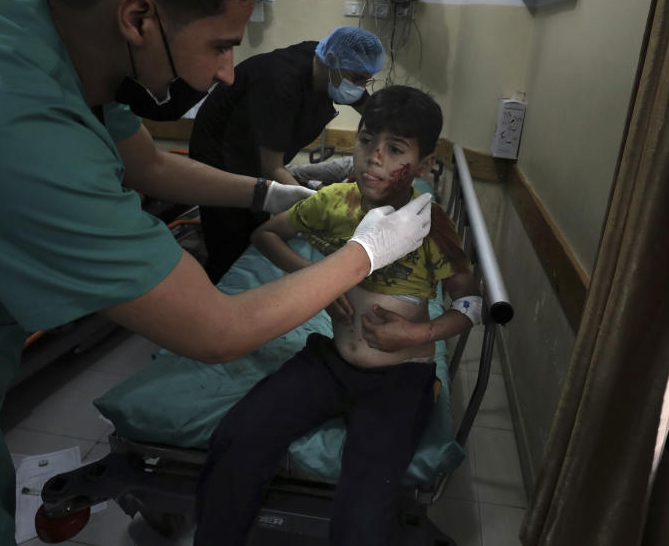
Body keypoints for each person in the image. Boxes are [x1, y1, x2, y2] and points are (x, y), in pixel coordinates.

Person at [0, 0, 431, 545]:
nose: (228, 71)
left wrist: (269, 194)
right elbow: (215, 328)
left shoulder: (28, 31)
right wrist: (367, 252)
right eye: (221, 45)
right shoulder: (7, 120)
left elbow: (148, 165)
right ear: (139, 18)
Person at [194, 86, 483, 546]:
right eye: (367, 141)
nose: (374, 158)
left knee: (364, 515)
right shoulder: (335, 203)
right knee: (238, 438)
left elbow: (470, 305)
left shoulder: (430, 223)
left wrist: (416, 332)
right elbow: (266, 236)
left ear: (425, 165)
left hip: (400, 378)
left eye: (395, 150)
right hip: (331, 363)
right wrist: (316, 282)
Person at [188, 26, 385, 282]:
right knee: (233, 238)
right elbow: (273, 167)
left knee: (258, 216)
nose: (359, 87)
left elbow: (372, 111)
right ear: (333, 63)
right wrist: (316, 209)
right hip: (219, 155)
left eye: (365, 80)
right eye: (357, 79)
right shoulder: (280, 83)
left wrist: (399, 136)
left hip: (255, 153)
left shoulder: (330, 63)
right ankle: (215, 293)